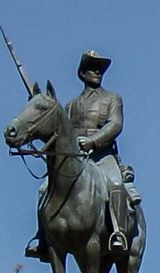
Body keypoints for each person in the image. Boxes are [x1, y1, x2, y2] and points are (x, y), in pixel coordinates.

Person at [27, 50, 139, 260]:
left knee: (115, 184)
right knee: (44, 189)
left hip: (102, 154)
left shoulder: (112, 98)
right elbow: (59, 133)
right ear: (81, 73)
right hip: (76, 157)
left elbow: (115, 124)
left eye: (100, 69)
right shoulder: (69, 106)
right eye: (92, 68)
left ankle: (117, 232)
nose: (97, 72)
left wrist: (94, 140)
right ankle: (42, 238)